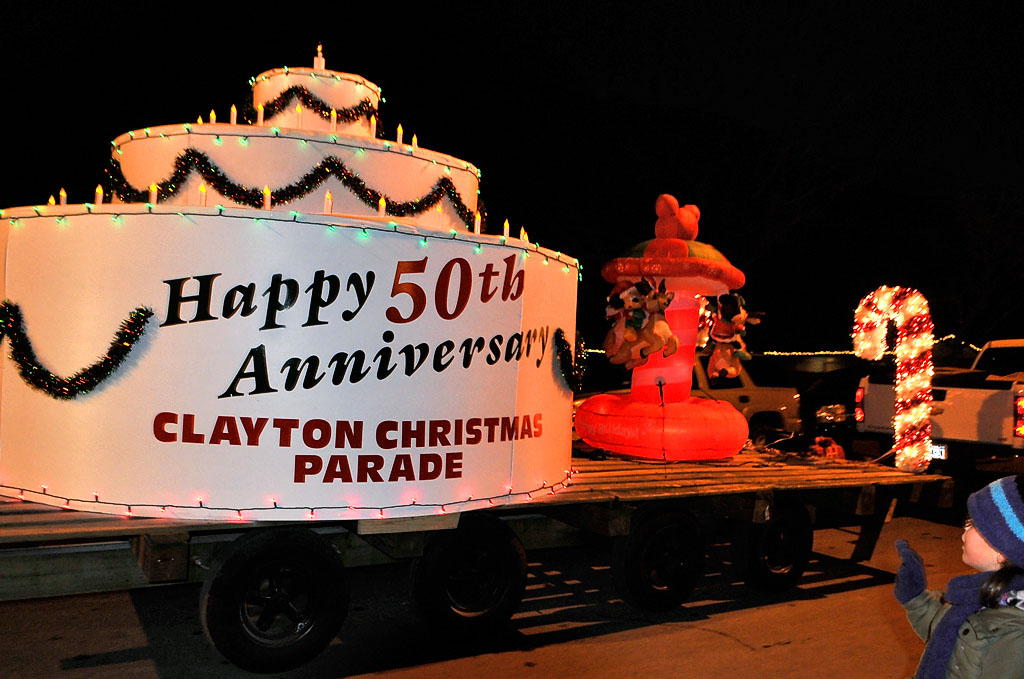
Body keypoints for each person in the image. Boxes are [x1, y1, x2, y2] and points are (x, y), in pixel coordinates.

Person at [895, 475, 1024, 678]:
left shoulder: (1015, 634)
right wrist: (916, 598)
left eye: (974, 524)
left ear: (1003, 550)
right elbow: (951, 642)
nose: (964, 529)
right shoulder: (984, 595)